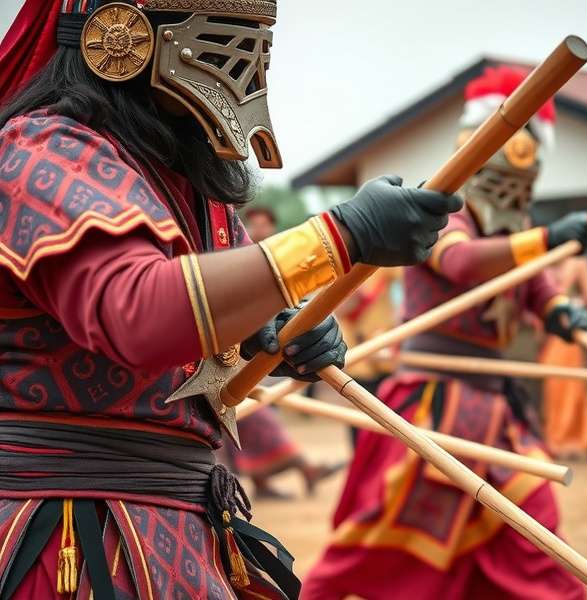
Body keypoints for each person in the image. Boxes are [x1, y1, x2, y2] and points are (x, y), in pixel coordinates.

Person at [0, 1, 462, 598]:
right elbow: (140, 316)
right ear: (125, 32)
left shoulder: (185, 181)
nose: (246, 57)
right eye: (229, 32)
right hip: (70, 541)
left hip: (177, 531)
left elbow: (219, 310)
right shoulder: (45, 147)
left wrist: (274, 332)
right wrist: (344, 234)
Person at [302, 65, 587, 600]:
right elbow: (463, 264)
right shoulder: (440, 214)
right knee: (380, 544)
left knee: (536, 533)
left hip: (495, 407)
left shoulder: (514, 233)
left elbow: (535, 284)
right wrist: (546, 239)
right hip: (435, 405)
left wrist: (561, 310)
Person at [223, 208, 344, 500]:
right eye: (255, 224)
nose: (260, 229)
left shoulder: (279, 257)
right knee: (252, 420)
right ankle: (304, 470)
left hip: (270, 350)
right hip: (230, 360)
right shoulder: (229, 253)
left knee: (257, 418)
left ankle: (286, 476)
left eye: (265, 224)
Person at [540, 254, 587, 460]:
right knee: (554, 388)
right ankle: (556, 439)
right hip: (550, 336)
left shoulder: (578, 264)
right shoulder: (541, 264)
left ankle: (578, 440)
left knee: (574, 387)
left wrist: (571, 306)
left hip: (572, 335)